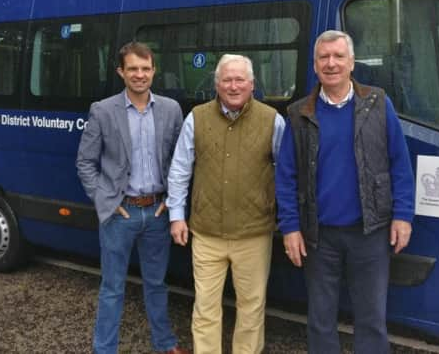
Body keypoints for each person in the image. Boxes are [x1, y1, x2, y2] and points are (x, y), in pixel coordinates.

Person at [275, 30, 415, 354]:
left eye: (339, 56)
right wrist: (291, 228)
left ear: (352, 62)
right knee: (321, 319)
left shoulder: (378, 104)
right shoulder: (299, 114)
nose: (331, 63)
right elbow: (286, 177)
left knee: (371, 319)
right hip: (319, 237)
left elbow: (400, 165)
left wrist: (403, 216)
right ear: (314, 65)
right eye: (324, 57)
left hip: (370, 232)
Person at [166, 54, 285, 354]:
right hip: (206, 234)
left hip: (254, 234)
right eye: (227, 79)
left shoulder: (273, 120)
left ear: (252, 84)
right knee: (205, 309)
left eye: (240, 79)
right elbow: (180, 170)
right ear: (217, 84)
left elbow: (287, 175)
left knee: (251, 309)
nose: (233, 86)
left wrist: (288, 221)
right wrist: (177, 216)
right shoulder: (197, 117)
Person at [76, 42, 189, 354]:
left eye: (145, 68)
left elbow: (181, 160)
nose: (140, 75)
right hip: (119, 213)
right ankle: (104, 349)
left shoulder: (171, 109)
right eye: (133, 69)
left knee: (157, 284)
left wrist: (173, 199)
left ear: (154, 71)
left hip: (157, 212)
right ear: (121, 72)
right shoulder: (103, 110)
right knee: (112, 288)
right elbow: (85, 162)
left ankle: (165, 344)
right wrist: (105, 202)